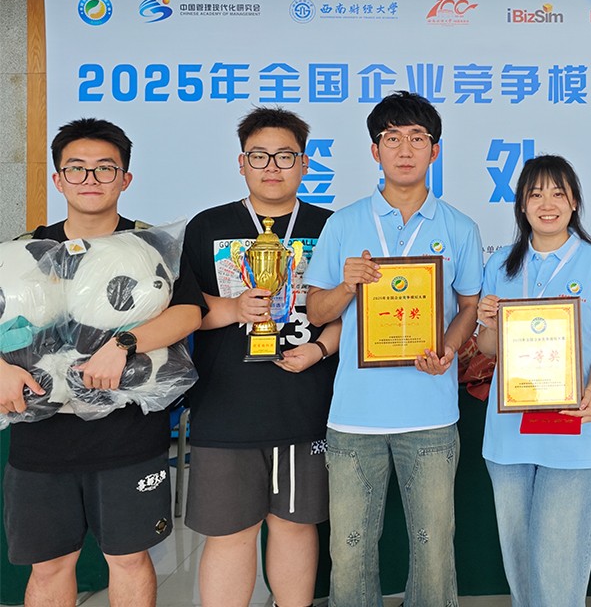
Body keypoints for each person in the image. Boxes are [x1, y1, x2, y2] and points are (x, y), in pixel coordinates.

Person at [0, 118, 205, 607]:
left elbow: (188, 311)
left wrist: (124, 344)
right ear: (58, 179)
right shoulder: (25, 250)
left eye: (104, 168)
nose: (90, 179)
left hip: (127, 436)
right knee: (49, 565)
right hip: (41, 439)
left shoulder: (151, 246)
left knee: (128, 559)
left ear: (125, 179)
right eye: (77, 168)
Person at [305, 91, 483, 607]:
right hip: (354, 417)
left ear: (435, 150)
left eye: (417, 138)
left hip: (430, 413)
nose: (405, 149)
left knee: (433, 550)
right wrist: (347, 286)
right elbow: (316, 311)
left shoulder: (459, 227)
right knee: (350, 549)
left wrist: (448, 348)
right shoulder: (343, 224)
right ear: (374, 150)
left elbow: (469, 307)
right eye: (392, 138)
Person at [181, 107, 341, 607]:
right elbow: (183, 312)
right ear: (241, 162)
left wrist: (320, 348)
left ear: (305, 163)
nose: (272, 166)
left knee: (295, 526)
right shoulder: (208, 226)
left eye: (285, 156)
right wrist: (232, 308)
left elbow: (353, 311)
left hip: (305, 404)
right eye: (259, 156)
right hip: (225, 407)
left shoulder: (330, 226)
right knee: (231, 534)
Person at [474, 155, 591, 607]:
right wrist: (488, 322)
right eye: (536, 194)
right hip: (510, 432)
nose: (547, 204)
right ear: (521, 204)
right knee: (519, 558)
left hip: (571, 424)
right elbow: (487, 348)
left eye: (558, 193)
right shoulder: (501, 264)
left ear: (574, 202)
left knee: (560, 560)